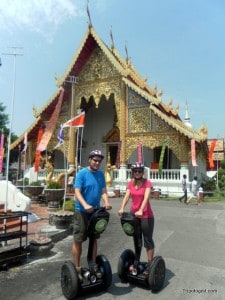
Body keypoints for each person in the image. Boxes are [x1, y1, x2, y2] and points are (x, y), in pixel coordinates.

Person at [72, 150, 112, 280]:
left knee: (94, 238)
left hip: (95, 211)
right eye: (95, 160)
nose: (97, 163)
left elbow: (103, 191)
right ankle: (77, 268)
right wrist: (85, 205)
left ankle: (93, 264)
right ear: (89, 160)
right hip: (82, 211)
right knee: (79, 239)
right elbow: (77, 192)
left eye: (99, 161)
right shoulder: (82, 174)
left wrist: (106, 202)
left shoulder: (100, 174)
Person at [118, 162, 154, 275]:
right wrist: (122, 208)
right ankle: (136, 261)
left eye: (139, 171)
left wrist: (141, 209)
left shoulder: (147, 183)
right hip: (134, 215)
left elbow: (146, 198)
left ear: (142, 172)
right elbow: (127, 196)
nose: (137, 173)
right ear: (132, 173)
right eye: (135, 171)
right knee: (137, 239)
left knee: (147, 240)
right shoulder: (130, 184)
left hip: (146, 215)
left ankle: (149, 264)